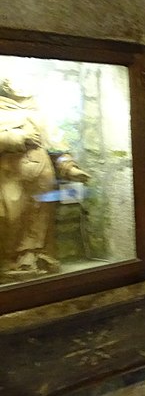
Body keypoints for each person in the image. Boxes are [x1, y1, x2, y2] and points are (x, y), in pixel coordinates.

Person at [0, 76, 90, 276]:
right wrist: (16, 138)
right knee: (9, 215)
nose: (24, 84)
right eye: (16, 80)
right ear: (6, 86)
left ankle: (34, 257)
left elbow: (57, 146)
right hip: (9, 174)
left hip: (41, 173)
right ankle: (8, 261)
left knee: (40, 217)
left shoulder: (40, 114)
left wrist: (70, 169)